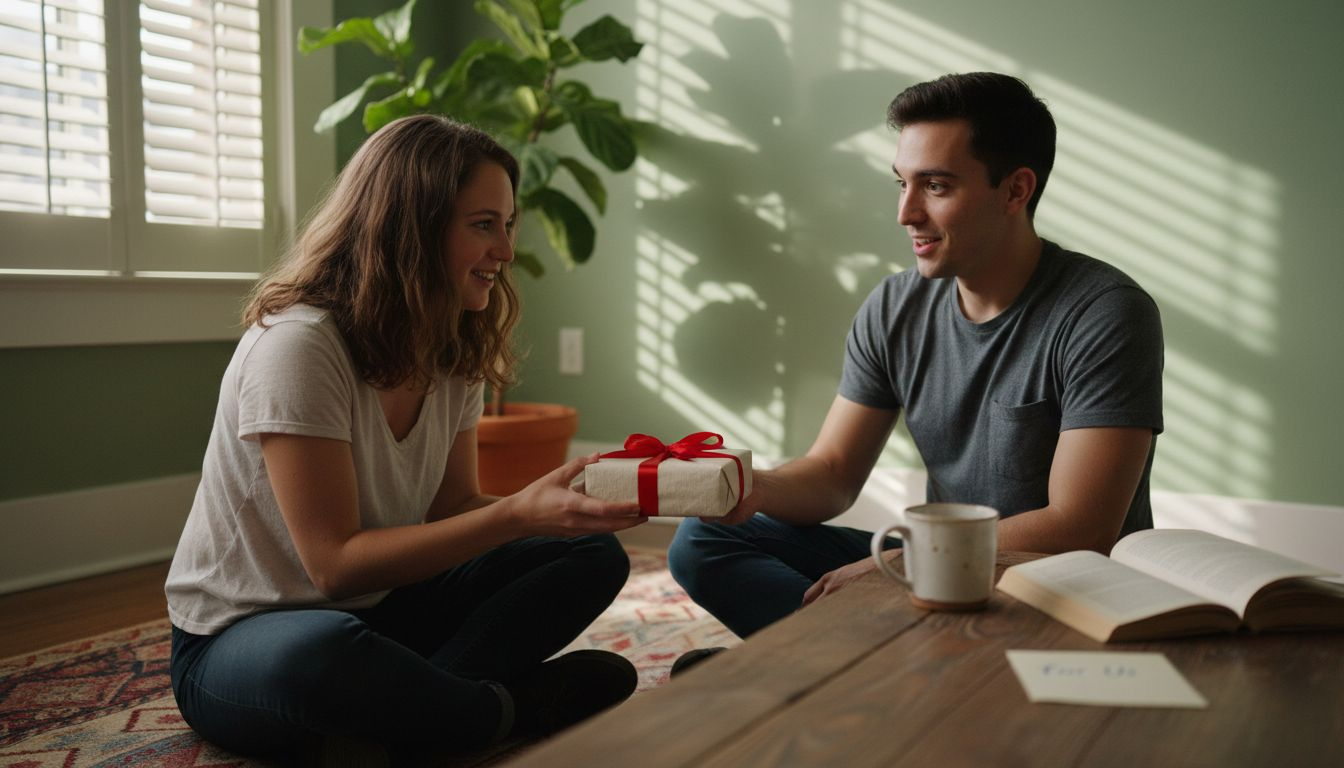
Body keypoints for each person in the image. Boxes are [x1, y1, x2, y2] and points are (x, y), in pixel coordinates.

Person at [164, 114, 648, 761]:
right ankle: (499, 710)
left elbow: (453, 510)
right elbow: (333, 567)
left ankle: (420, 711)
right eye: (483, 225)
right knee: (324, 654)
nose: (504, 252)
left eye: (508, 226)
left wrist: (549, 508)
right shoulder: (299, 347)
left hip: (384, 616)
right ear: (412, 229)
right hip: (242, 639)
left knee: (590, 554)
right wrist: (514, 515)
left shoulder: (453, 344)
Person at [667, 72, 1164, 653]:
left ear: (1015, 190)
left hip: (1059, 587)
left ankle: (813, 664)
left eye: (935, 186)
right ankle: (843, 664)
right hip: (942, 574)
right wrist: (748, 487)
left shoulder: (1105, 312)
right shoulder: (895, 306)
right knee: (704, 539)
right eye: (901, 183)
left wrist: (903, 564)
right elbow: (831, 472)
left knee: (891, 585)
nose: (906, 213)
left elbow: (1079, 526)